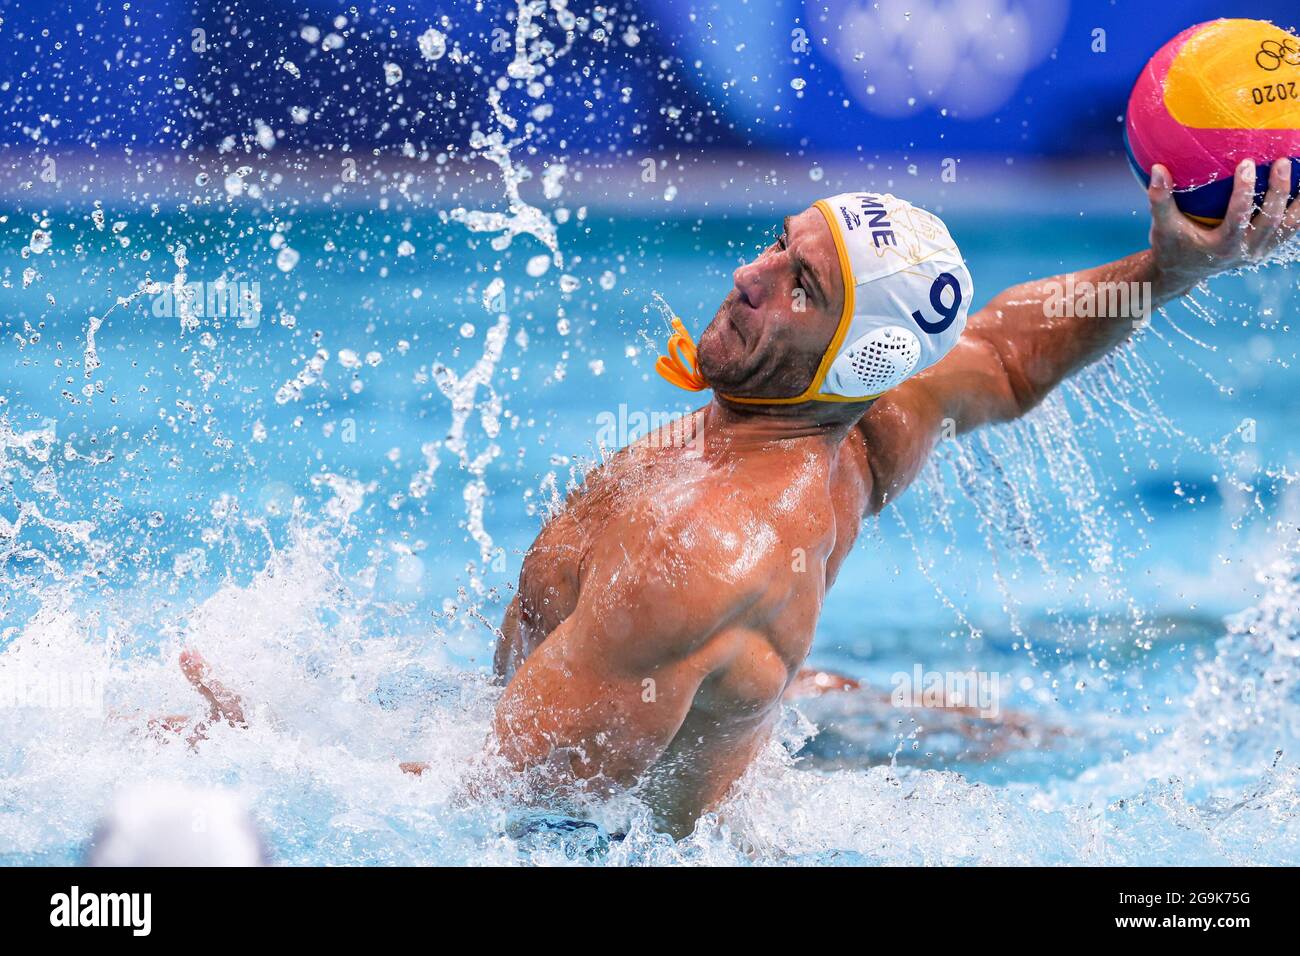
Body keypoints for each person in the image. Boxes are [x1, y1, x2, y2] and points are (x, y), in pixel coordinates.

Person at [181, 159, 1298, 838]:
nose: (748, 275)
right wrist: (1171, 268)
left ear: (851, 359)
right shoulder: (855, 423)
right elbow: (1005, 357)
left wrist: (268, 749)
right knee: (889, 712)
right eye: (778, 244)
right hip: (693, 709)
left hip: (607, 824)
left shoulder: (705, 558)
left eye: (797, 285)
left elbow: (490, 807)